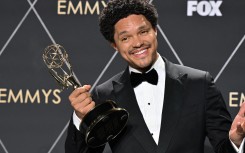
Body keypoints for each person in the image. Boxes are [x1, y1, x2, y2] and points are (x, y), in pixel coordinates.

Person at [65, 0, 245, 152]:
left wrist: (236, 140)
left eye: (143, 32)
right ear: (114, 45)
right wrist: (80, 118)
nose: (138, 43)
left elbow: (223, 147)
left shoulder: (200, 83)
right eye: (126, 38)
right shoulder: (103, 95)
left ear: (155, 31)